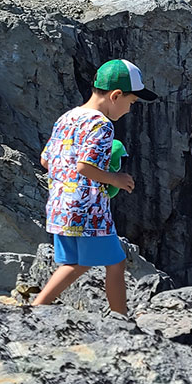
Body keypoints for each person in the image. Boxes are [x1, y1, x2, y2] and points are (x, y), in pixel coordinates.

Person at [33, 59, 158, 314]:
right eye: (131, 103)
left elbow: (46, 159)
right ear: (116, 95)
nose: (129, 109)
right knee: (116, 262)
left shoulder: (67, 118)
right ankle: (121, 319)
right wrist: (116, 179)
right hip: (88, 210)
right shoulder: (102, 125)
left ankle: (36, 307)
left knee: (75, 263)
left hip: (59, 205)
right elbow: (84, 167)